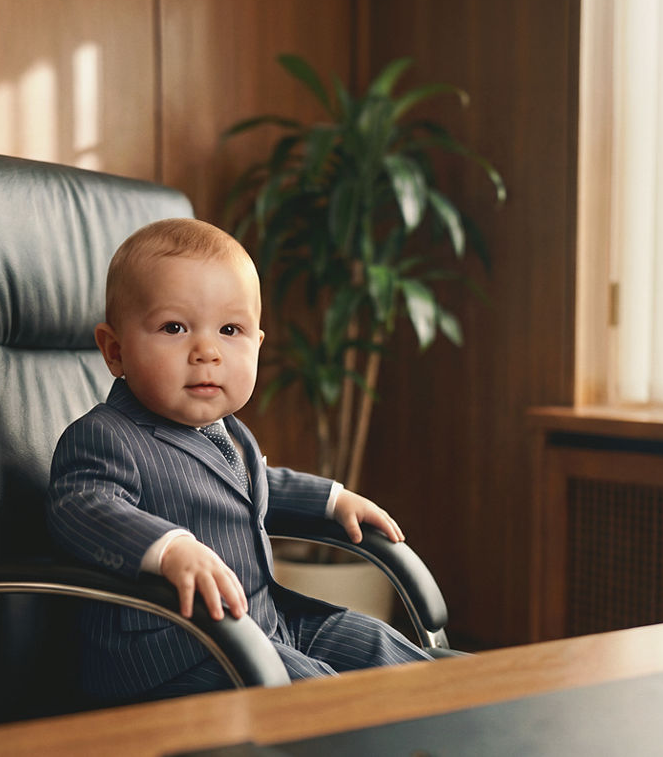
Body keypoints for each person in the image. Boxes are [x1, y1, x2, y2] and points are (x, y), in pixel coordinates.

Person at [47, 217, 430, 703]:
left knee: (381, 646)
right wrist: (169, 549)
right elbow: (81, 507)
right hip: (176, 655)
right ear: (115, 350)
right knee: (330, 697)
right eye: (174, 328)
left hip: (266, 623)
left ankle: (474, 712)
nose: (207, 351)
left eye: (230, 330)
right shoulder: (104, 436)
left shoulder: (229, 432)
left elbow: (257, 485)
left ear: (257, 344)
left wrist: (333, 500)